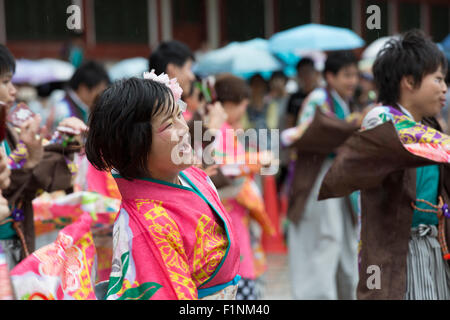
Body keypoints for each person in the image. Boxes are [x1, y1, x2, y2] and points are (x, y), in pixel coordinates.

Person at [85, 72, 241, 300]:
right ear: (136, 145)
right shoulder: (148, 225)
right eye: (169, 123)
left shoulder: (189, 175)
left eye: (179, 115)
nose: (184, 129)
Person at [319, 30, 450, 300]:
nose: (444, 88)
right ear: (409, 81)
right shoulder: (381, 119)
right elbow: (412, 139)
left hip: (432, 246)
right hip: (397, 249)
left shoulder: (429, 126)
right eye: (437, 79)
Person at [0, 44, 86, 269]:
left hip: (17, 239)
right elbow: (10, 186)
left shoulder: (9, 131)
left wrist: (65, 143)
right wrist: (27, 161)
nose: (13, 91)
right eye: (5, 82)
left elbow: (31, 181)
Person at [285, 50, 360, 300]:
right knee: (325, 243)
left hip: (340, 182)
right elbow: (301, 135)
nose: (353, 81)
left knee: (342, 246)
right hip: (319, 181)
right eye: (347, 75)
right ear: (330, 76)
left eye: (354, 75)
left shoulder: (344, 101)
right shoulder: (318, 98)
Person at [213, 74, 275, 300]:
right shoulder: (219, 130)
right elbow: (223, 165)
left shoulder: (226, 130)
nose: (242, 111)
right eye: (241, 105)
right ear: (228, 104)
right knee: (239, 272)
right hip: (229, 210)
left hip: (236, 210)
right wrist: (256, 160)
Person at [46, 60, 110, 133]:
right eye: (99, 91)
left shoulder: (81, 107)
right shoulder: (63, 110)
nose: (101, 96)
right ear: (84, 89)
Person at [285, 57, 320, 129]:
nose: (306, 76)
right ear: (298, 75)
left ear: (315, 73)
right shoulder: (294, 97)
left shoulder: (322, 95)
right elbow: (290, 121)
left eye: (308, 72)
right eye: (302, 72)